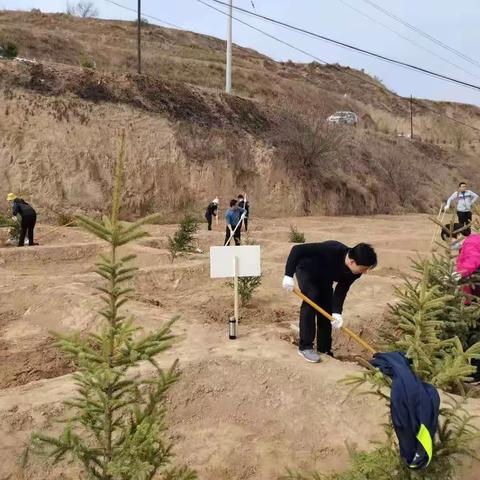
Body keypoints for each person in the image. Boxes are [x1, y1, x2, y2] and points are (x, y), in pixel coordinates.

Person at [282, 241, 377, 363]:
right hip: (307, 269)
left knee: (327, 308)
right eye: (363, 269)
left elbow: (342, 289)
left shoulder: (355, 272)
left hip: (325, 278)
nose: (364, 272)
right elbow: (297, 249)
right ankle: (305, 347)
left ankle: (324, 349)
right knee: (312, 297)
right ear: (352, 262)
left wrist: (337, 312)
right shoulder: (331, 249)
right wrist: (288, 275)